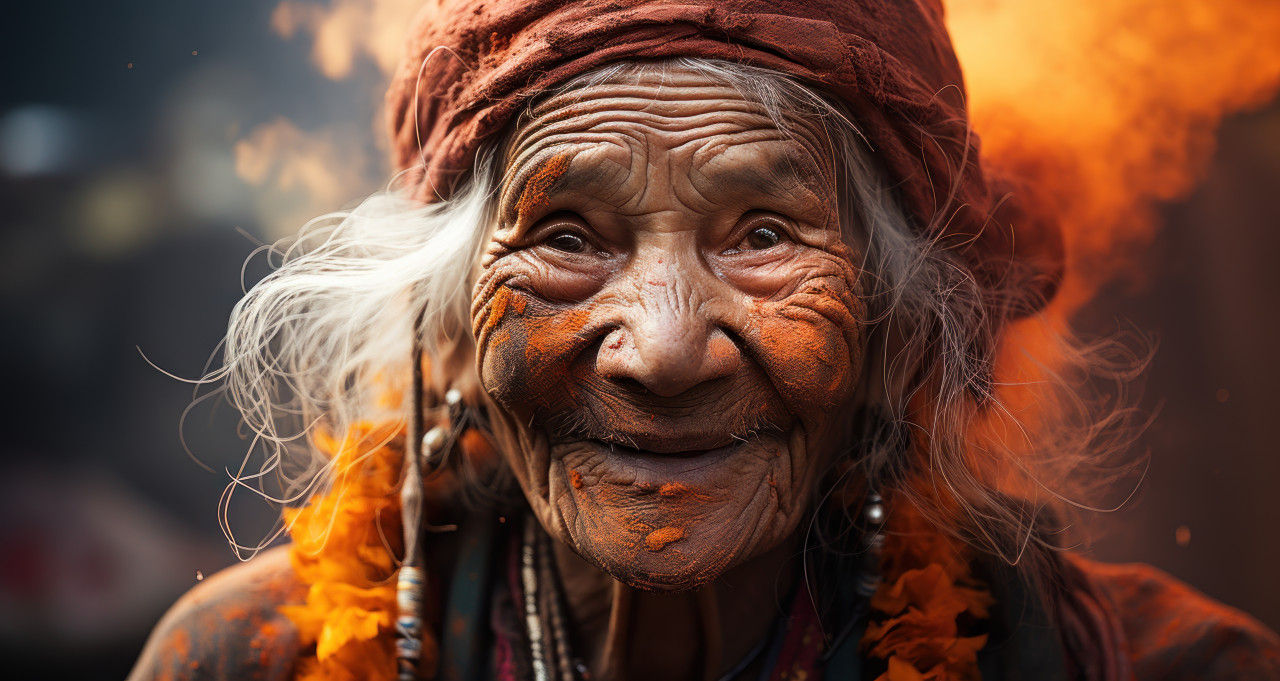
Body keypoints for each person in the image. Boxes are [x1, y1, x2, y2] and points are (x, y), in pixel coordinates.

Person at [128, 1, 1280, 680]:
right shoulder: (242, 663)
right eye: (567, 236)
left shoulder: (1161, 668)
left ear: (895, 327)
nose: (664, 350)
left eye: (763, 234)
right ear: (450, 326)